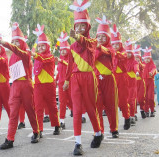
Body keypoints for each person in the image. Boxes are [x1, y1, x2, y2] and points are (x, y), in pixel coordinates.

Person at [64, 0, 103, 155]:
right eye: (77, 26)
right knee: (77, 111)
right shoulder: (72, 47)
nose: (79, 29)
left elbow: (85, 42)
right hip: (75, 80)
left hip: (89, 78)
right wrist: (66, 80)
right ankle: (78, 143)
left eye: (82, 26)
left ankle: (98, 133)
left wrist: (78, 37)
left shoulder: (92, 42)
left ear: (87, 27)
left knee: (91, 109)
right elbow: (69, 65)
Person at [0, 22, 40, 149]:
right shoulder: (12, 57)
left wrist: (5, 43)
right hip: (15, 85)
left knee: (30, 110)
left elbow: (16, 50)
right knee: (13, 113)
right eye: (13, 41)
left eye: (17, 41)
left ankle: (36, 132)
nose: (15, 44)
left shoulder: (25, 53)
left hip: (26, 85)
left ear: (22, 42)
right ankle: (9, 139)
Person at [32, 24, 61, 136]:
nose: (40, 49)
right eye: (39, 46)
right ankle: (38, 130)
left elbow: (43, 59)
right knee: (38, 108)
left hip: (49, 85)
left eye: (43, 46)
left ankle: (57, 125)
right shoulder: (37, 57)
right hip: (38, 85)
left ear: (47, 47)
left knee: (52, 106)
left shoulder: (49, 56)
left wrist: (35, 54)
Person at [95, 15, 119, 138]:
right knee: (97, 106)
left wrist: (98, 46)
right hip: (96, 80)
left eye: (103, 36)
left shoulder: (111, 49)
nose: (100, 38)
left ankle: (114, 128)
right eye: (98, 36)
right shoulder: (93, 49)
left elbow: (107, 52)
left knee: (111, 105)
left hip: (108, 80)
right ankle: (100, 130)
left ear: (108, 37)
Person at [111, 24, 130, 130]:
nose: (115, 46)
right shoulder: (111, 53)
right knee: (113, 102)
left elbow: (122, 56)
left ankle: (127, 118)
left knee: (123, 100)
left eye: (117, 44)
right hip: (113, 79)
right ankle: (114, 126)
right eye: (113, 45)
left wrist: (114, 53)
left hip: (122, 79)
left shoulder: (123, 53)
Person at [55, 32, 73, 129]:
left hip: (70, 83)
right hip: (61, 84)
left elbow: (69, 65)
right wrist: (56, 80)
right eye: (61, 50)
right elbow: (59, 72)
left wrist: (61, 61)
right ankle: (61, 121)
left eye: (64, 50)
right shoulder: (60, 60)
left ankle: (78, 113)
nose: (62, 52)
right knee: (62, 102)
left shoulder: (69, 59)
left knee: (71, 100)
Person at [125, 39, 139, 125]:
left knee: (131, 99)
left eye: (129, 53)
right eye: (127, 53)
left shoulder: (134, 61)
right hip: (124, 83)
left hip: (132, 82)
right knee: (125, 100)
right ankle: (127, 115)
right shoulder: (123, 60)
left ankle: (132, 116)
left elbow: (136, 66)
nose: (128, 54)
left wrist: (136, 71)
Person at [142, 47, 157, 117]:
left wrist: (151, 72)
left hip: (150, 82)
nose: (147, 60)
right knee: (145, 97)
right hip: (144, 82)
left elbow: (154, 69)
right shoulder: (142, 64)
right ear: (144, 58)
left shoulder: (152, 64)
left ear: (150, 58)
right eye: (146, 58)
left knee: (150, 97)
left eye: (148, 58)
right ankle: (146, 110)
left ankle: (152, 110)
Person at [134, 45, 147, 119]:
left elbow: (139, 67)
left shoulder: (142, 65)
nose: (137, 59)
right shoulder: (131, 65)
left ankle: (142, 110)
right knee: (133, 100)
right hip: (134, 84)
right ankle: (134, 113)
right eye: (135, 57)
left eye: (138, 57)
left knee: (141, 98)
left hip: (141, 84)